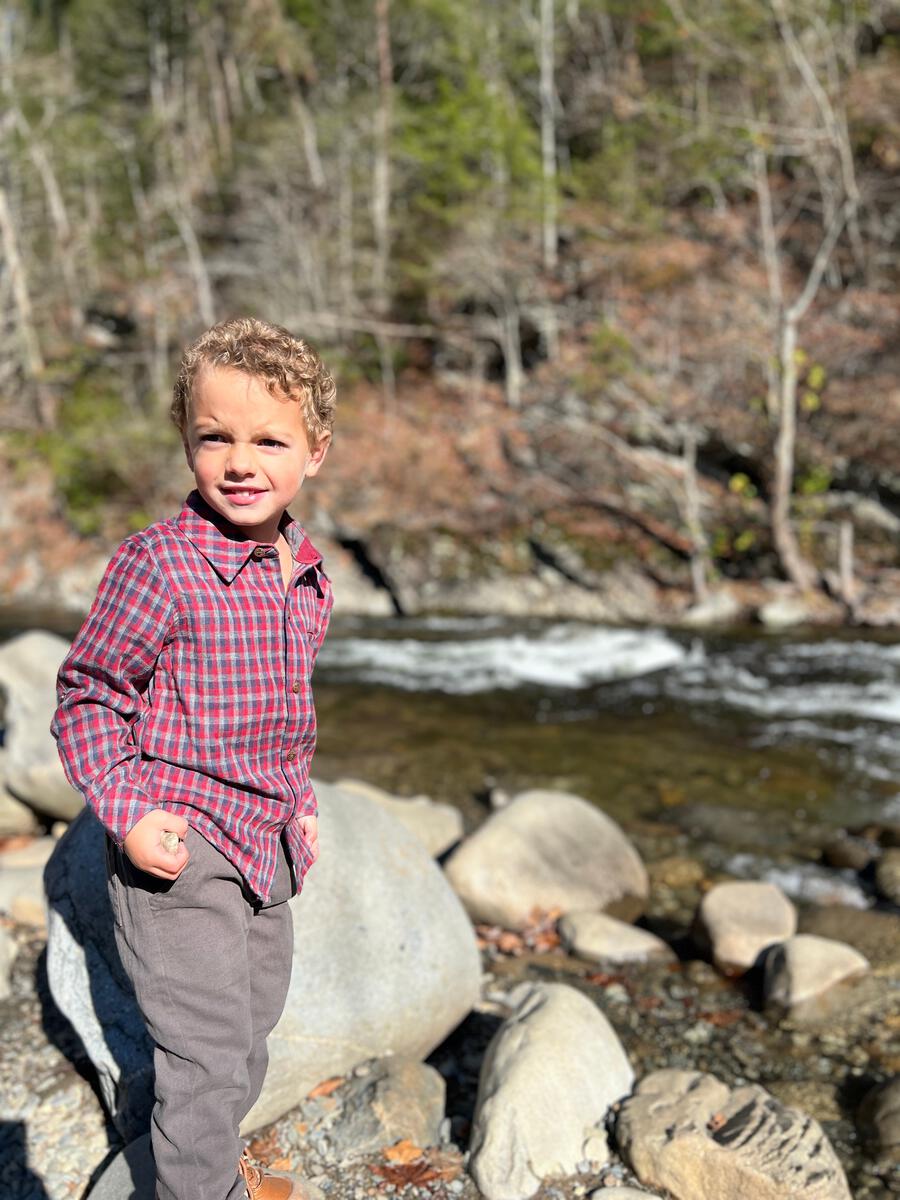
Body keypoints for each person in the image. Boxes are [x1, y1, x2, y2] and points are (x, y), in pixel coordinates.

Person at [51, 317, 335, 1200]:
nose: (241, 461)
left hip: (266, 839)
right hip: (180, 849)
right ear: (187, 439)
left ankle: (177, 1152)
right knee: (206, 1055)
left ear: (315, 453)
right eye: (215, 436)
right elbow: (88, 695)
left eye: (268, 440)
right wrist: (128, 811)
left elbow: (287, 712)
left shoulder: (308, 572)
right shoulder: (159, 565)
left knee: (246, 1038)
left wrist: (301, 803)